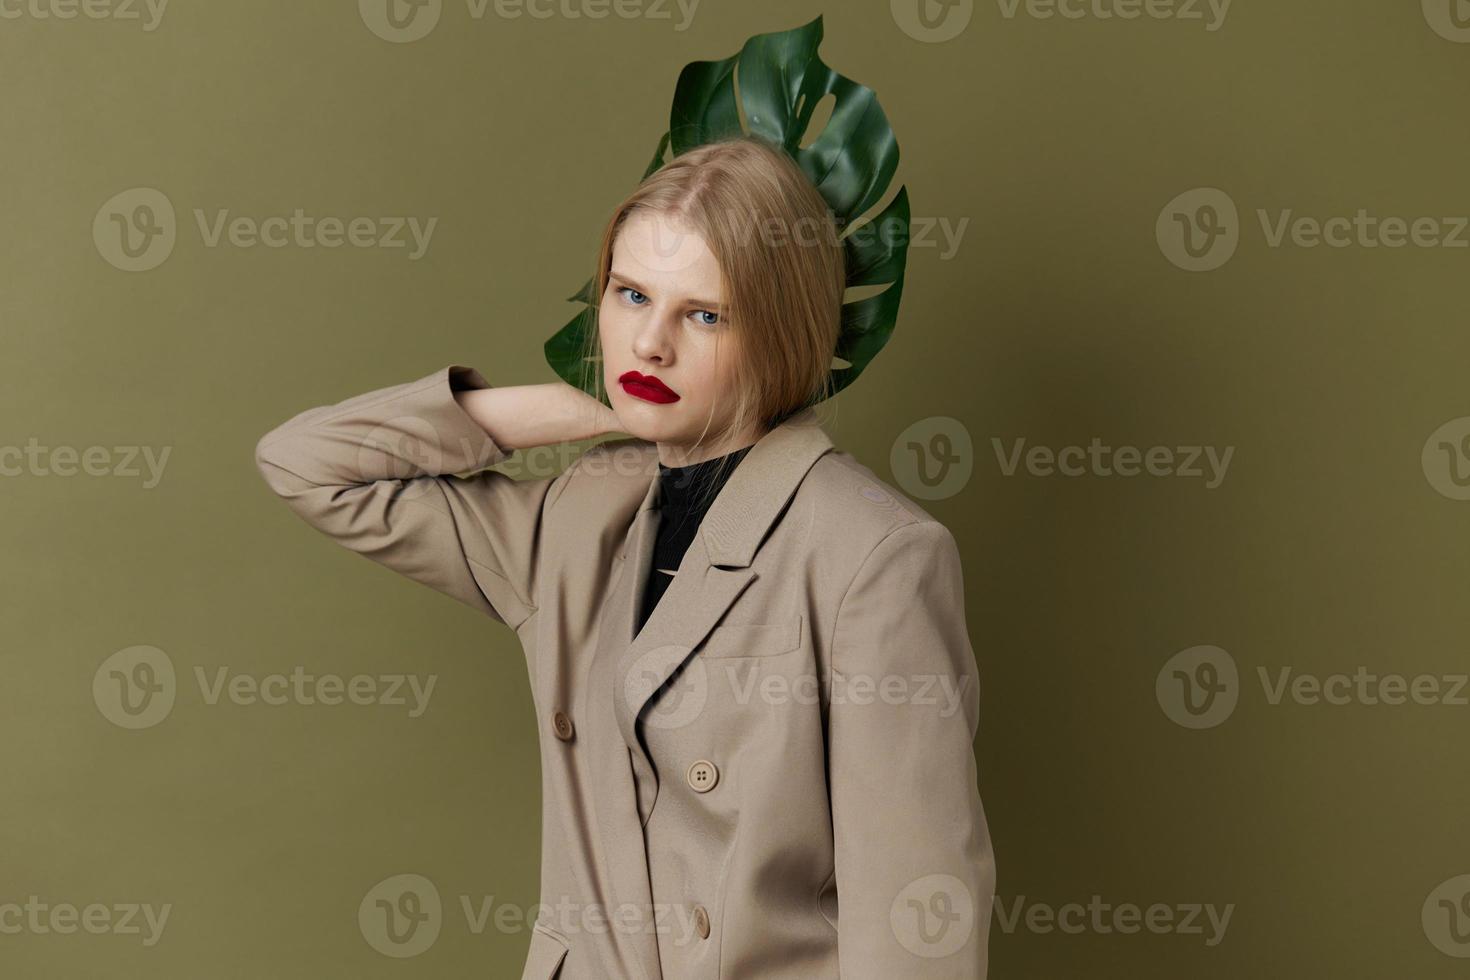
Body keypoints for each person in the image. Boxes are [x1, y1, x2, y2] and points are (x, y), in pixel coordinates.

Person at [254, 135, 995, 980]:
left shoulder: (873, 553)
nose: (650, 343)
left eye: (704, 314)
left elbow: (917, 909)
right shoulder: (579, 517)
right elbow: (308, 463)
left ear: (781, 332)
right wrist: (587, 406)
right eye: (631, 294)